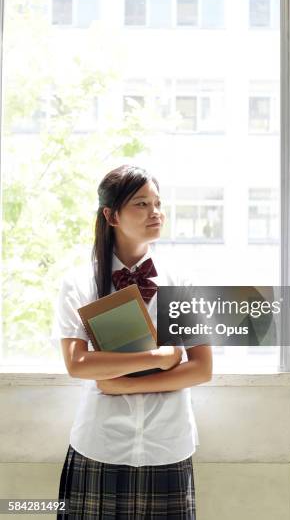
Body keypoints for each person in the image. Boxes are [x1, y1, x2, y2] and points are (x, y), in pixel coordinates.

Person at [52, 164, 213, 519]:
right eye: (141, 204)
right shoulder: (80, 282)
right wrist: (159, 357)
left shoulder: (180, 280)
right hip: (101, 444)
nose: (155, 212)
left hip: (167, 446)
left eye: (157, 203)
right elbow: (78, 364)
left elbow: (201, 368)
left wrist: (115, 381)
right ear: (111, 215)